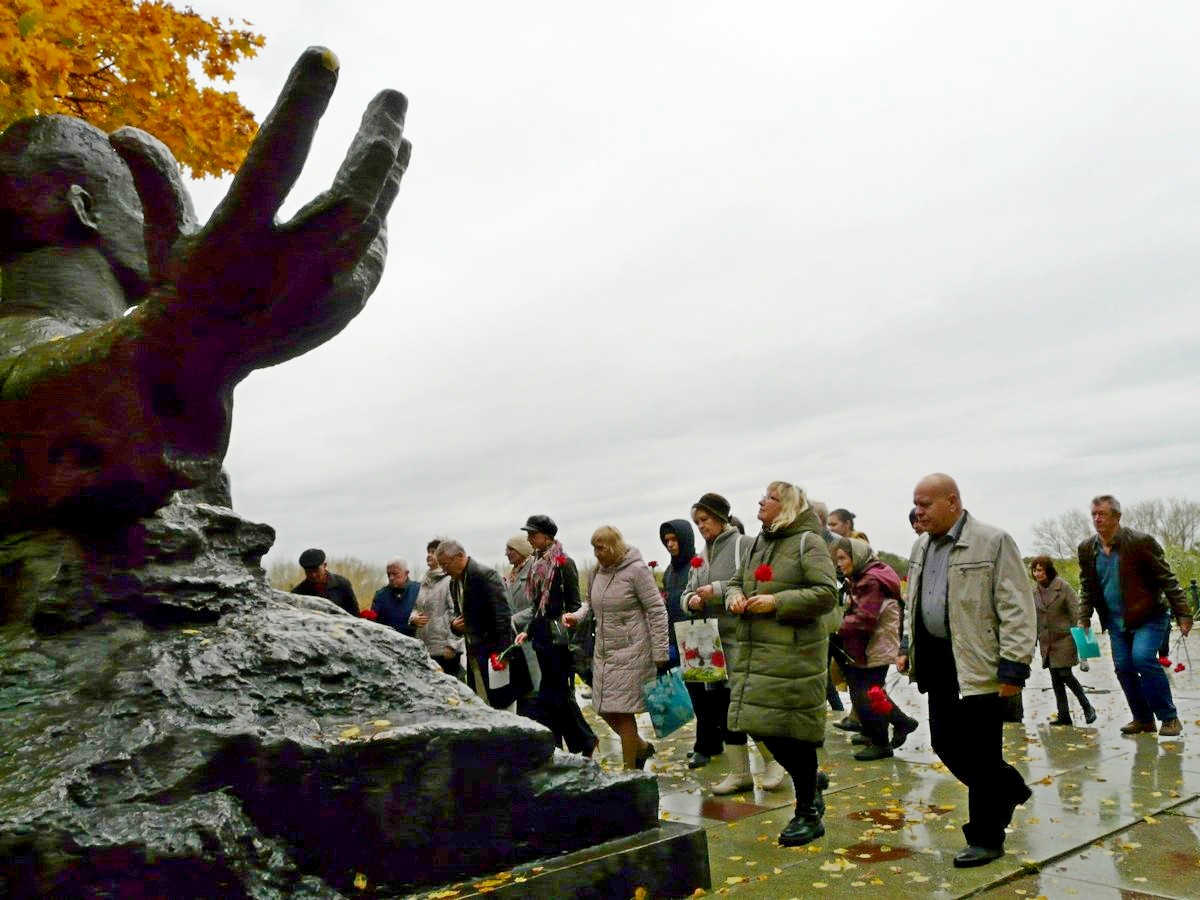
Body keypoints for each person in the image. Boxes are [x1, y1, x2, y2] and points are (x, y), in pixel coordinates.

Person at [899, 473, 1036, 868]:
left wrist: (1013, 668)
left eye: (926, 503)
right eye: (916, 503)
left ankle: (986, 837)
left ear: (952, 502)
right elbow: (915, 603)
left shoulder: (992, 541)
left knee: (981, 751)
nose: (918, 511)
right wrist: (908, 646)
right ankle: (1009, 789)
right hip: (938, 663)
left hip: (978, 664)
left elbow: (1016, 607)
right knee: (944, 743)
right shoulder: (920, 546)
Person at [724, 481, 837, 847]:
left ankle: (808, 812)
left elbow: (826, 593)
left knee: (792, 733)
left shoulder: (809, 542)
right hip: (757, 654)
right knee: (759, 725)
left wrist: (777, 602)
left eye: (770, 498)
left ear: (786, 506)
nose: (761, 501)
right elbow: (735, 581)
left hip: (793, 656)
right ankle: (809, 778)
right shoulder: (760, 541)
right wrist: (736, 595)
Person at [682, 492, 783, 791]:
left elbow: (762, 581)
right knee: (721, 708)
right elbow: (686, 593)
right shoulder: (700, 556)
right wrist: (692, 601)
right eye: (697, 522)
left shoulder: (744, 544)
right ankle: (739, 771)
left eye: (705, 520)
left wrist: (717, 589)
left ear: (720, 518)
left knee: (745, 706)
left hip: (741, 639)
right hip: (709, 644)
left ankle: (774, 761)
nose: (701, 527)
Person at [1077, 494, 1193, 737]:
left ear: (1117, 517)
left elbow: (1167, 578)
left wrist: (1183, 613)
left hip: (1149, 615)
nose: (1097, 519)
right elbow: (1087, 585)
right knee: (1123, 667)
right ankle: (1143, 719)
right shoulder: (1087, 548)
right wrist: (1084, 617)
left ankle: (1169, 717)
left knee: (1142, 659)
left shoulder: (1140, 542)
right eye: (1094, 515)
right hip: (1116, 620)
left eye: (1102, 514)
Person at [571, 525, 668, 770]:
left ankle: (630, 770)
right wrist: (577, 615)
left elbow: (657, 610)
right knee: (603, 707)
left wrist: (660, 653)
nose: (596, 553)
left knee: (623, 712)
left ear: (613, 546)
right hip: (604, 650)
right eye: (593, 548)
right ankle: (641, 747)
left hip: (632, 650)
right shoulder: (596, 572)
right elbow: (590, 604)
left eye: (600, 548)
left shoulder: (637, 571)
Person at [514, 515, 597, 756]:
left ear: (547, 536)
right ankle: (567, 744)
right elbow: (538, 607)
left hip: (558, 641)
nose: (529, 538)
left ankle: (583, 741)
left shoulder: (563, 563)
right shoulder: (537, 565)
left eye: (533, 534)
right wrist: (527, 632)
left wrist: (567, 624)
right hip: (541, 639)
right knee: (552, 697)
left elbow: (573, 603)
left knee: (557, 695)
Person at [833, 538, 919, 760]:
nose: (839, 563)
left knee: (867, 694)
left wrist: (836, 627)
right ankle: (895, 725)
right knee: (869, 691)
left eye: (843, 558)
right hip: (872, 643)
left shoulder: (870, 581)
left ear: (857, 556)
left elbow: (864, 618)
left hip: (874, 644)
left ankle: (881, 741)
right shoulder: (866, 576)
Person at [437, 539, 530, 710]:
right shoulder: (454, 582)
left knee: (503, 703)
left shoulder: (485, 575)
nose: (444, 570)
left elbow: (502, 616)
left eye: (445, 564)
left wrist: (503, 654)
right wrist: (454, 626)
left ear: (459, 556)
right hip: (474, 653)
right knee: (482, 701)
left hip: (494, 652)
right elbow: (459, 616)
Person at [1030, 555, 1095, 727]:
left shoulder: (1063, 587)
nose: (1038, 574)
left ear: (1049, 570)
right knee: (1055, 678)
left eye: (1041, 570)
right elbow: (1033, 618)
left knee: (1064, 674)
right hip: (1047, 642)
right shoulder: (1034, 592)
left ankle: (1087, 707)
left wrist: (1086, 650)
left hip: (1065, 639)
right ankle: (1064, 715)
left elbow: (1078, 615)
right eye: (1035, 570)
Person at [412, 538, 463, 676]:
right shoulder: (424, 582)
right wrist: (413, 618)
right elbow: (416, 607)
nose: (429, 555)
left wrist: (452, 645)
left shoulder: (449, 581)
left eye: (433, 552)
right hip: (425, 649)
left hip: (444, 651)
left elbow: (457, 614)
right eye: (428, 552)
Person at [291, 548, 358, 616]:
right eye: (309, 572)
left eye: (316, 570)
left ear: (325, 565)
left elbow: (354, 613)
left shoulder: (342, 585)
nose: (313, 575)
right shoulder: (298, 593)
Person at [370, 559, 419, 637]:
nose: (391, 578)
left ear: (406, 573)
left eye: (395, 574)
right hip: (388, 643)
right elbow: (374, 623)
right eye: (389, 574)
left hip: (414, 642)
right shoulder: (380, 595)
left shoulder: (419, 591)